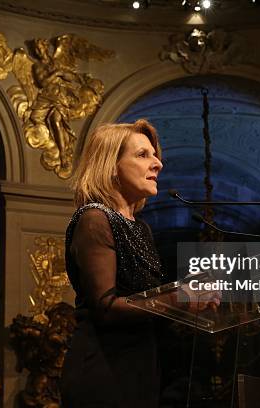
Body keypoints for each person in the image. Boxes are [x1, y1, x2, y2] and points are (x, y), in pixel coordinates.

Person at [60, 119, 165, 407]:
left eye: (155, 155)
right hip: (103, 369)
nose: (157, 164)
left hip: (140, 366)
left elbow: (148, 302)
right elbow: (106, 307)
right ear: (110, 165)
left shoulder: (141, 228)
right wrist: (180, 299)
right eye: (143, 155)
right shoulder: (95, 219)